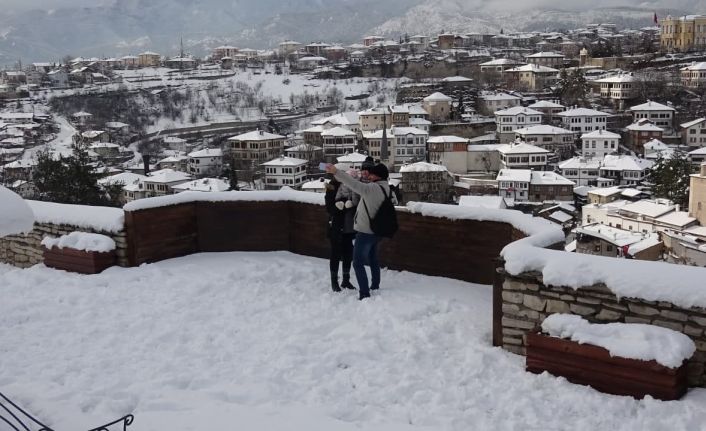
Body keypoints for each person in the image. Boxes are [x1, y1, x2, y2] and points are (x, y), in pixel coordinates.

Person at [326, 162, 393, 300]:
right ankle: (375, 285)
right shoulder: (386, 187)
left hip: (365, 231)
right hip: (376, 230)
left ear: (378, 176)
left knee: (357, 262)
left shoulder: (372, 188)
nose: (369, 176)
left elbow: (353, 184)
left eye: (372, 174)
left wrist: (336, 171)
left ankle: (364, 292)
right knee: (373, 258)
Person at [324, 172, 358, 292]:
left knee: (348, 254)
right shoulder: (331, 186)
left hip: (349, 227)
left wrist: (351, 205)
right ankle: (334, 282)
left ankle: (346, 280)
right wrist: (339, 206)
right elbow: (329, 207)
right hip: (337, 227)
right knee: (335, 255)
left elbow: (357, 203)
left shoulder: (352, 184)